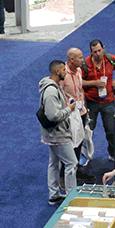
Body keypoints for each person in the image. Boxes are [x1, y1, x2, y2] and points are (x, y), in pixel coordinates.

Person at [83, 39, 115, 162]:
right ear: (91, 52)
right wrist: (94, 83)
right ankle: (85, 155)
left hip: (108, 101)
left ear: (103, 48)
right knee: (88, 130)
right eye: (95, 52)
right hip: (91, 102)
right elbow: (80, 82)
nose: (98, 54)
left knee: (110, 130)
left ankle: (113, 153)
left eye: (99, 50)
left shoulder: (110, 59)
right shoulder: (85, 64)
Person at [39, 60, 78, 205]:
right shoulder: (51, 91)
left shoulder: (53, 87)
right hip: (58, 134)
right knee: (72, 163)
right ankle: (71, 197)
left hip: (53, 133)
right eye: (63, 70)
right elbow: (53, 116)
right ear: (57, 71)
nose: (66, 72)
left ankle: (54, 194)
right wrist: (69, 109)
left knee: (54, 163)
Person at [61, 48, 95, 180]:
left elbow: (80, 90)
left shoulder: (79, 70)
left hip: (81, 111)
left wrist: (85, 108)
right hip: (70, 115)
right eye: (80, 58)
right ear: (71, 59)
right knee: (70, 143)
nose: (83, 60)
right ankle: (65, 173)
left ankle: (77, 169)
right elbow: (59, 94)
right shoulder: (63, 74)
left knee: (80, 141)